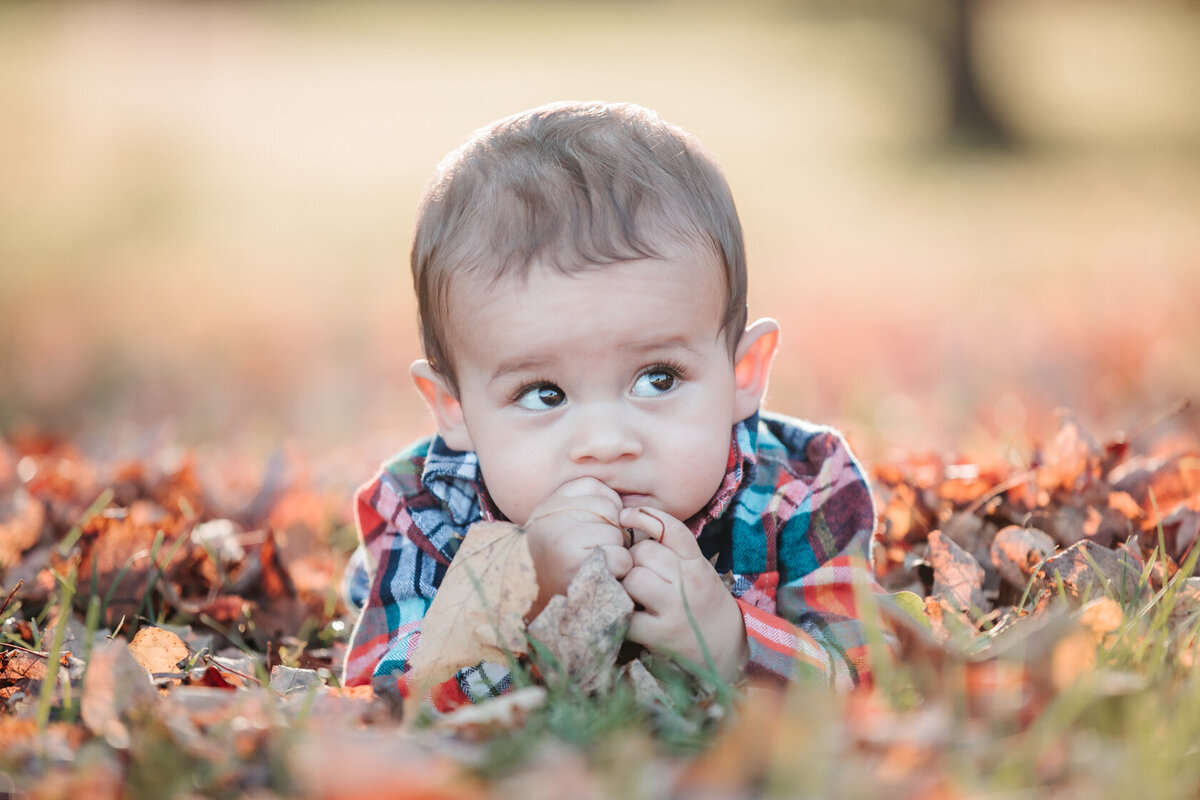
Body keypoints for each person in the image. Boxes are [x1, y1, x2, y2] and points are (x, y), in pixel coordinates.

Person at [342, 101, 882, 708]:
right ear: (455, 408)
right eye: (542, 394)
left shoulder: (801, 487)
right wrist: (522, 595)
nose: (604, 441)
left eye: (657, 378)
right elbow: (384, 698)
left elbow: (872, 676)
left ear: (743, 372)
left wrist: (734, 642)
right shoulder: (425, 508)